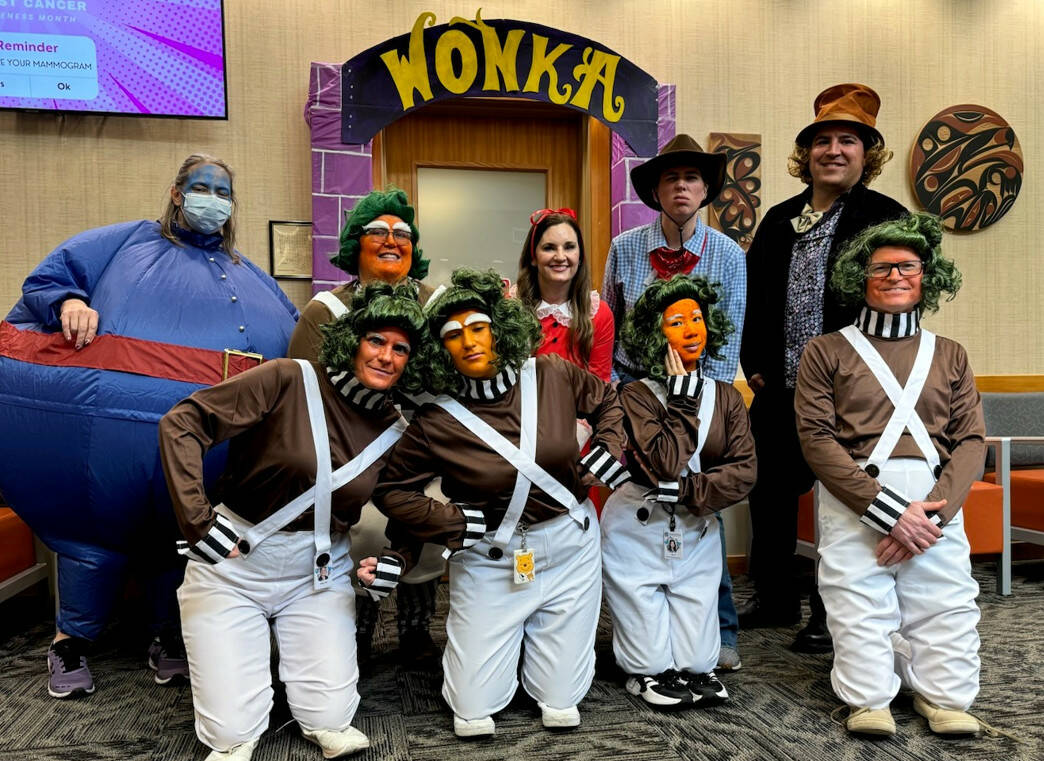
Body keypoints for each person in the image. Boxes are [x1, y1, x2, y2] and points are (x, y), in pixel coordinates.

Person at [0, 153, 298, 699]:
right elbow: (48, 279)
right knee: (92, 545)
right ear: (177, 192)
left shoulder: (251, 275)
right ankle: (69, 643)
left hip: (204, 478)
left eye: (223, 192)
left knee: (175, 547)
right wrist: (68, 301)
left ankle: (167, 635)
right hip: (97, 471)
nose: (213, 200)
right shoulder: (124, 244)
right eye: (202, 187)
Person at [159, 284, 427, 760]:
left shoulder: (396, 433)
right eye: (375, 340)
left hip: (317, 575)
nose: (386, 356)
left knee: (331, 717)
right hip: (233, 565)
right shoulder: (287, 378)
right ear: (352, 340)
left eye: (400, 348)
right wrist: (197, 521)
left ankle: (313, 704)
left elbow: (406, 503)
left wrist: (398, 559)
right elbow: (183, 423)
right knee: (229, 732)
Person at [373, 268, 630, 738]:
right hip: (490, 557)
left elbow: (607, 402)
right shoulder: (435, 422)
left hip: (570, 549)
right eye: (453, 335)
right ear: (441, 350)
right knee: (472, 709)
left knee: (561, 701)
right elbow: (392, 490)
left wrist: (609, 447)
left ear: (500, 328)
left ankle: (541, 650)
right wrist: (447, 521)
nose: (469, 341)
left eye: (478, 327)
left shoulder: (552, 374)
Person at [795, 213, 984, 737]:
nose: (895, 276)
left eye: (908, 266)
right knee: (857, 601)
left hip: (936, 503)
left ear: (927, 275)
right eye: (881, 267)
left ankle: (943, 695)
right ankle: (868, 698)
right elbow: (816, 439)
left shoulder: (951, 354)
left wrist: (932, 515)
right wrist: (887, 512)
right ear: (860, 276)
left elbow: (970, 442)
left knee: (945, 599)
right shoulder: (825, 351)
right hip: (854, 497)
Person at [739, 83, 908, 653]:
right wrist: (755, 365)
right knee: (769, 494)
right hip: (780, 388)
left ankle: (831, 612)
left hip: (853, 393)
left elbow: (904, 302)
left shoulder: (886, 219)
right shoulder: (779, 219)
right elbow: (753, 299)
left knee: (843, 501)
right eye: (822, 141)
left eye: (847, 141)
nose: (833, 151)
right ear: (806, 152)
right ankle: (776, 595)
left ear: (867, 153)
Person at [602, 133, 746, 670]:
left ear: (705, 190)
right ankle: (641, 629)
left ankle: (720, 629)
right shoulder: (624, 248)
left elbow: (729, 335)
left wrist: (707, 405)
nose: (681, 186)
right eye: (671, 178)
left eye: (691, 178)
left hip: (701, 392)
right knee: (639, 505)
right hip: (639, 394)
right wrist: (622, 398)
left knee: (701, 502)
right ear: (656, 191)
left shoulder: (728, 254)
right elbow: (611, 323)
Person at [287, 188, 443, 667]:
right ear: (356, 242)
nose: (392, 240)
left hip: (424, 453)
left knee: (428, 521)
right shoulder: (324, 312)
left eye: (402, 234)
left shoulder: (439, 306)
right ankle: (358, 627)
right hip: (353, 453)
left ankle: (416, 627)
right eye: (378, 231)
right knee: (361, 532)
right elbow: (302, 398)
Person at [602, 275, 755, 709]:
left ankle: (689, 667)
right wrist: (684, 398)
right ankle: (645, 673)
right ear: (655, 335)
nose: (691, 330)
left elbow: (744, 471)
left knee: (698, 658)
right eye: (676, 322)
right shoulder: (635, 395)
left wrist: (687, 490)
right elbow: (666, 460)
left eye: (697, 318)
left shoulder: (727, 397)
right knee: (649, 655)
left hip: (697, 524)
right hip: (637, 525)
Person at [515, 207, 614, 381]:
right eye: (549, 248)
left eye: (569, 247)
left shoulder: (599, 314)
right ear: (533, 257)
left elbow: (599, 386)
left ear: (580, 256)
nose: (560, 257)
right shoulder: (511, 307)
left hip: (581, 400)